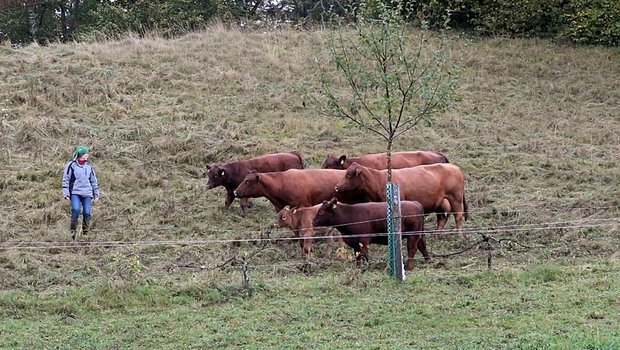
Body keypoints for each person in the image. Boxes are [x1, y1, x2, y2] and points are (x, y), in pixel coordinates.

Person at [61, 146, 100, 240]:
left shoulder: (89, 167)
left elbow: (93, 181)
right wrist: (66, 193)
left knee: (87, 213)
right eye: (86, 153)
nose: (88, 155)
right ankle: (72, 233)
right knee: (76, 210)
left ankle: (85, 234)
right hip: (75, 192)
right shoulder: (71, 165)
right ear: (81, 154)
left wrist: (96, 194)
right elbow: (66, 179)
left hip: (87, 193)